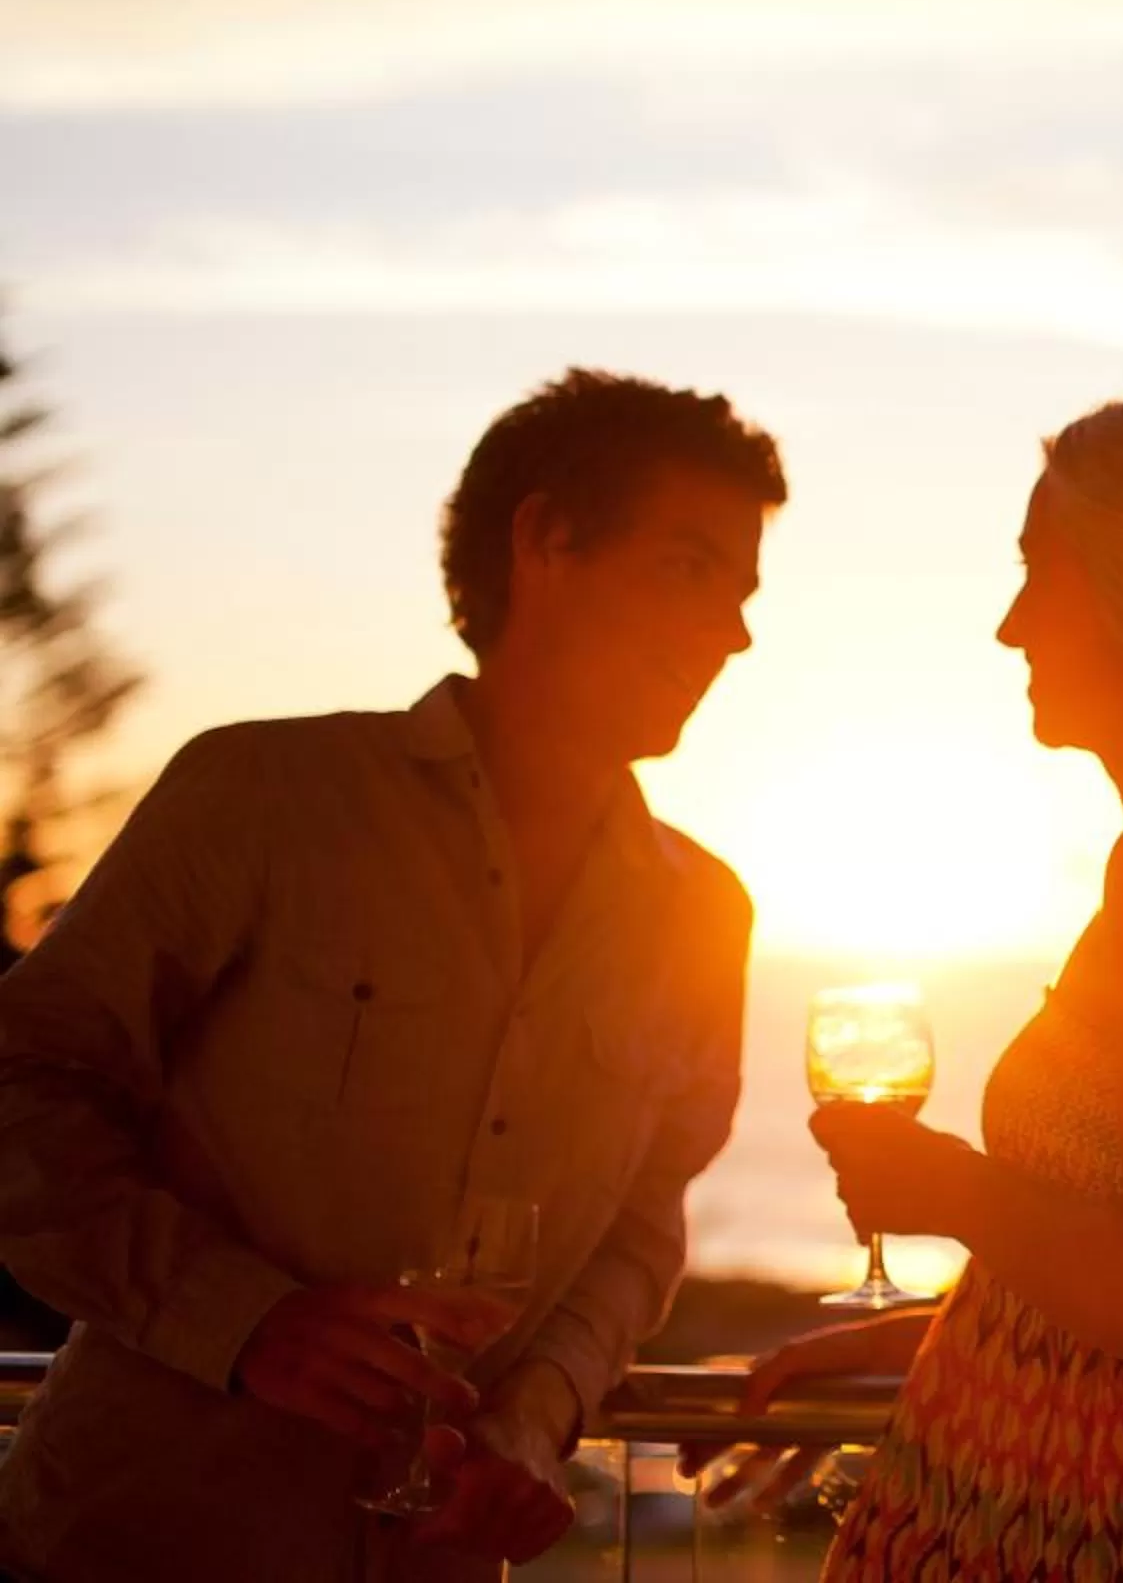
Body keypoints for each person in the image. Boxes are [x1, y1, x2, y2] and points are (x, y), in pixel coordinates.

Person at [0, 369, 783, 1582]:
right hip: (131, 1537)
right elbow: (23, 1086)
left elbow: (642, 1226)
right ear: (546, 537)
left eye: (743, 594)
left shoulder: (703, 909)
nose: (732, 632)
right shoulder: (262, 798)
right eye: (691, 567)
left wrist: (532, 1424)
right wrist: (245, 1320)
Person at [694, 368, 1123, 1581]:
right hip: (1106, 1492)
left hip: (1114, 1531)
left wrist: (947, 1183)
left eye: (1035, 568)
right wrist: (942, 1332)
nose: (1011, 623)